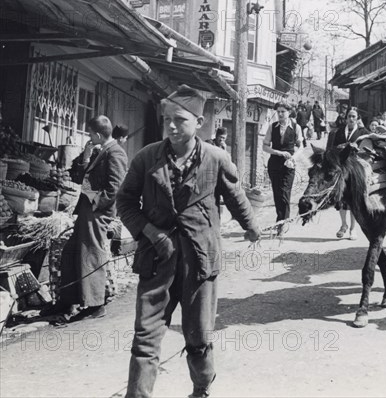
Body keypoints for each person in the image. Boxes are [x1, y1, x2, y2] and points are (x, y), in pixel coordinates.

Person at [116, 85, 261, 398]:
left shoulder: (216, 159)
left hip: (199, 262)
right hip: (156, 259)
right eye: (167, 119)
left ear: (199, 122)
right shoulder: (145, 158)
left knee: (197, 337)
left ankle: (201, 387)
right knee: (146, 337)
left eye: (179, 120)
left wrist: (250, 226)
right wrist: (149, 232)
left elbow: (236, 197)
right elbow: (125, 202)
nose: (170, 126)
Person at [59, 115, 128, 320]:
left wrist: (96, 205)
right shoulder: (99, 151)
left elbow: (115, 188)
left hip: (98, 212)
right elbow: (79, 177)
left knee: (91, 255)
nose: (88, 136)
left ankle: (96, 304)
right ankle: (69, 300)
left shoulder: (115, 152)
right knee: (71, 253)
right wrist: (87, 157)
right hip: (88, 209)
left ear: (98, 134)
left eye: (89, 133)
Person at [263, 102, 303, 237]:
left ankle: (282, 222)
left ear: (289, 113)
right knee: (276, 194)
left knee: (285, 194)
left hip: (289, 165)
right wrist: (279, 153)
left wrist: (293, 158)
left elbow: (300, 147)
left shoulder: (296, 127)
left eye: (283, 112)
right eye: (278, 112)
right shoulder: (272, 127)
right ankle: (280, 220)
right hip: (274, 164)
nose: (280, 114)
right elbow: (265, 146)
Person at [330, 107, 368, 240]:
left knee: (353, 199)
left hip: (355, 169)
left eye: (353, 116)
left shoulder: (363, 132)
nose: (351, 119)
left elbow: (368, 149)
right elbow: (332, 148)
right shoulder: (339, 131)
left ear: (357, 118)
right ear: (345, 118)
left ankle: (353, 228)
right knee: (341, 197)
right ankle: (343, 225)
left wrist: (356, 149)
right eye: (349, 116)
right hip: (342, 168)